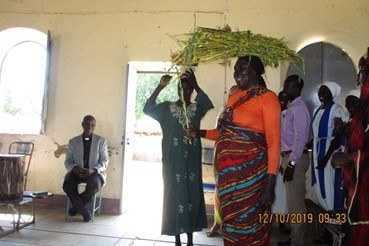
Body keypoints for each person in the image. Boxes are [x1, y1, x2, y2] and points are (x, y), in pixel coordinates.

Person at [201, 55, 280, 245]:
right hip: (228, 181)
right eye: (236, 69)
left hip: (252, 179)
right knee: (231, 223)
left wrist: (271, 182)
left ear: (255, 71)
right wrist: (199, 132)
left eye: (242, 68)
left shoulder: (267, 98)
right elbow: (222, 133)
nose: (237, 73)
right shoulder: (234, 98)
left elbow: (273, 140)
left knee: (250, 224)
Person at [143, 69, 214, 246]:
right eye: (182, 89)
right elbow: (147, 108)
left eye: (189, 89)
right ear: (177, 90)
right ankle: (177, 239)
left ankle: (190, 239)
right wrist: (160, 87)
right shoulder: (166, 108)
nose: (186, 92)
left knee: (191, 196)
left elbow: (208, 102)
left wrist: (196, 84)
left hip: (191, 163)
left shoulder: (197, 109)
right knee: (174, 196)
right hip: (172, 162)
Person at [332, 47, 369, 246]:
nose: (358, 78)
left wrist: (349, 158)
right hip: (356, 182)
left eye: (361, 73)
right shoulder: (362, 111)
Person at [277, 75, 310, 246]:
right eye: (284, 86)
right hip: (290, 157)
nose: (284, 90)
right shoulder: (292, 107)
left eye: (288, 87)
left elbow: (300, 138)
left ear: (297, 89)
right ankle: (294, 239)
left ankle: (298, 242)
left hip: (295, 158)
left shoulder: (298, 109)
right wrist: (285, 162)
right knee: (292, 202)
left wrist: (291, 163)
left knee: (296, 204)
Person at [203, 85, 239, 237]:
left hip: (237, 159)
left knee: (235, 193)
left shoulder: (244, 112)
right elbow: (217, 134)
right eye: (230, 95)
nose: (232, 97)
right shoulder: (224, 112)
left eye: (235, 95)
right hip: (221, 157)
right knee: (220, 191)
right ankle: (218, 223)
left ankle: (233, 226)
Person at [63, 115, 109, 222]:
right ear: (82, 125)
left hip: (94, 172)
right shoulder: (73, 142)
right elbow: (68, 161)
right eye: (87, 124)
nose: (90, 126)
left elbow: (104, 161)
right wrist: (75, 169)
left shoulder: (101, 141)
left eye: (92, 124)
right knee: (67, 184)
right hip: (77, 172)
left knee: (94, 185)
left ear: (95, 126)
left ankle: (76, 208)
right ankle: (84, 211)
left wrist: (93, 170)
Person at [310, 82, 348, 213]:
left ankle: (332, 217)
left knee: (328, 184)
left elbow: (337, 137)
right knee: (319, 186)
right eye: (320, 91)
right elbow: (315, 134)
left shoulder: (336, 109)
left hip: (328, 151)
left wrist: (326, 158)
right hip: (317, 149)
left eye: (325, 91)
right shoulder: (317, 109)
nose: (321, 94)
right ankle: (327, 220)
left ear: (332, 94)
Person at [273, 91, 290, 236]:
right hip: (272, 156)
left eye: (285, 98)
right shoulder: (273, 114)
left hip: (284, 156)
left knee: (283, 192)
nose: (282, 101)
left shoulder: (290, 115)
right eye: (280, 98)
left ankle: (282, 222)